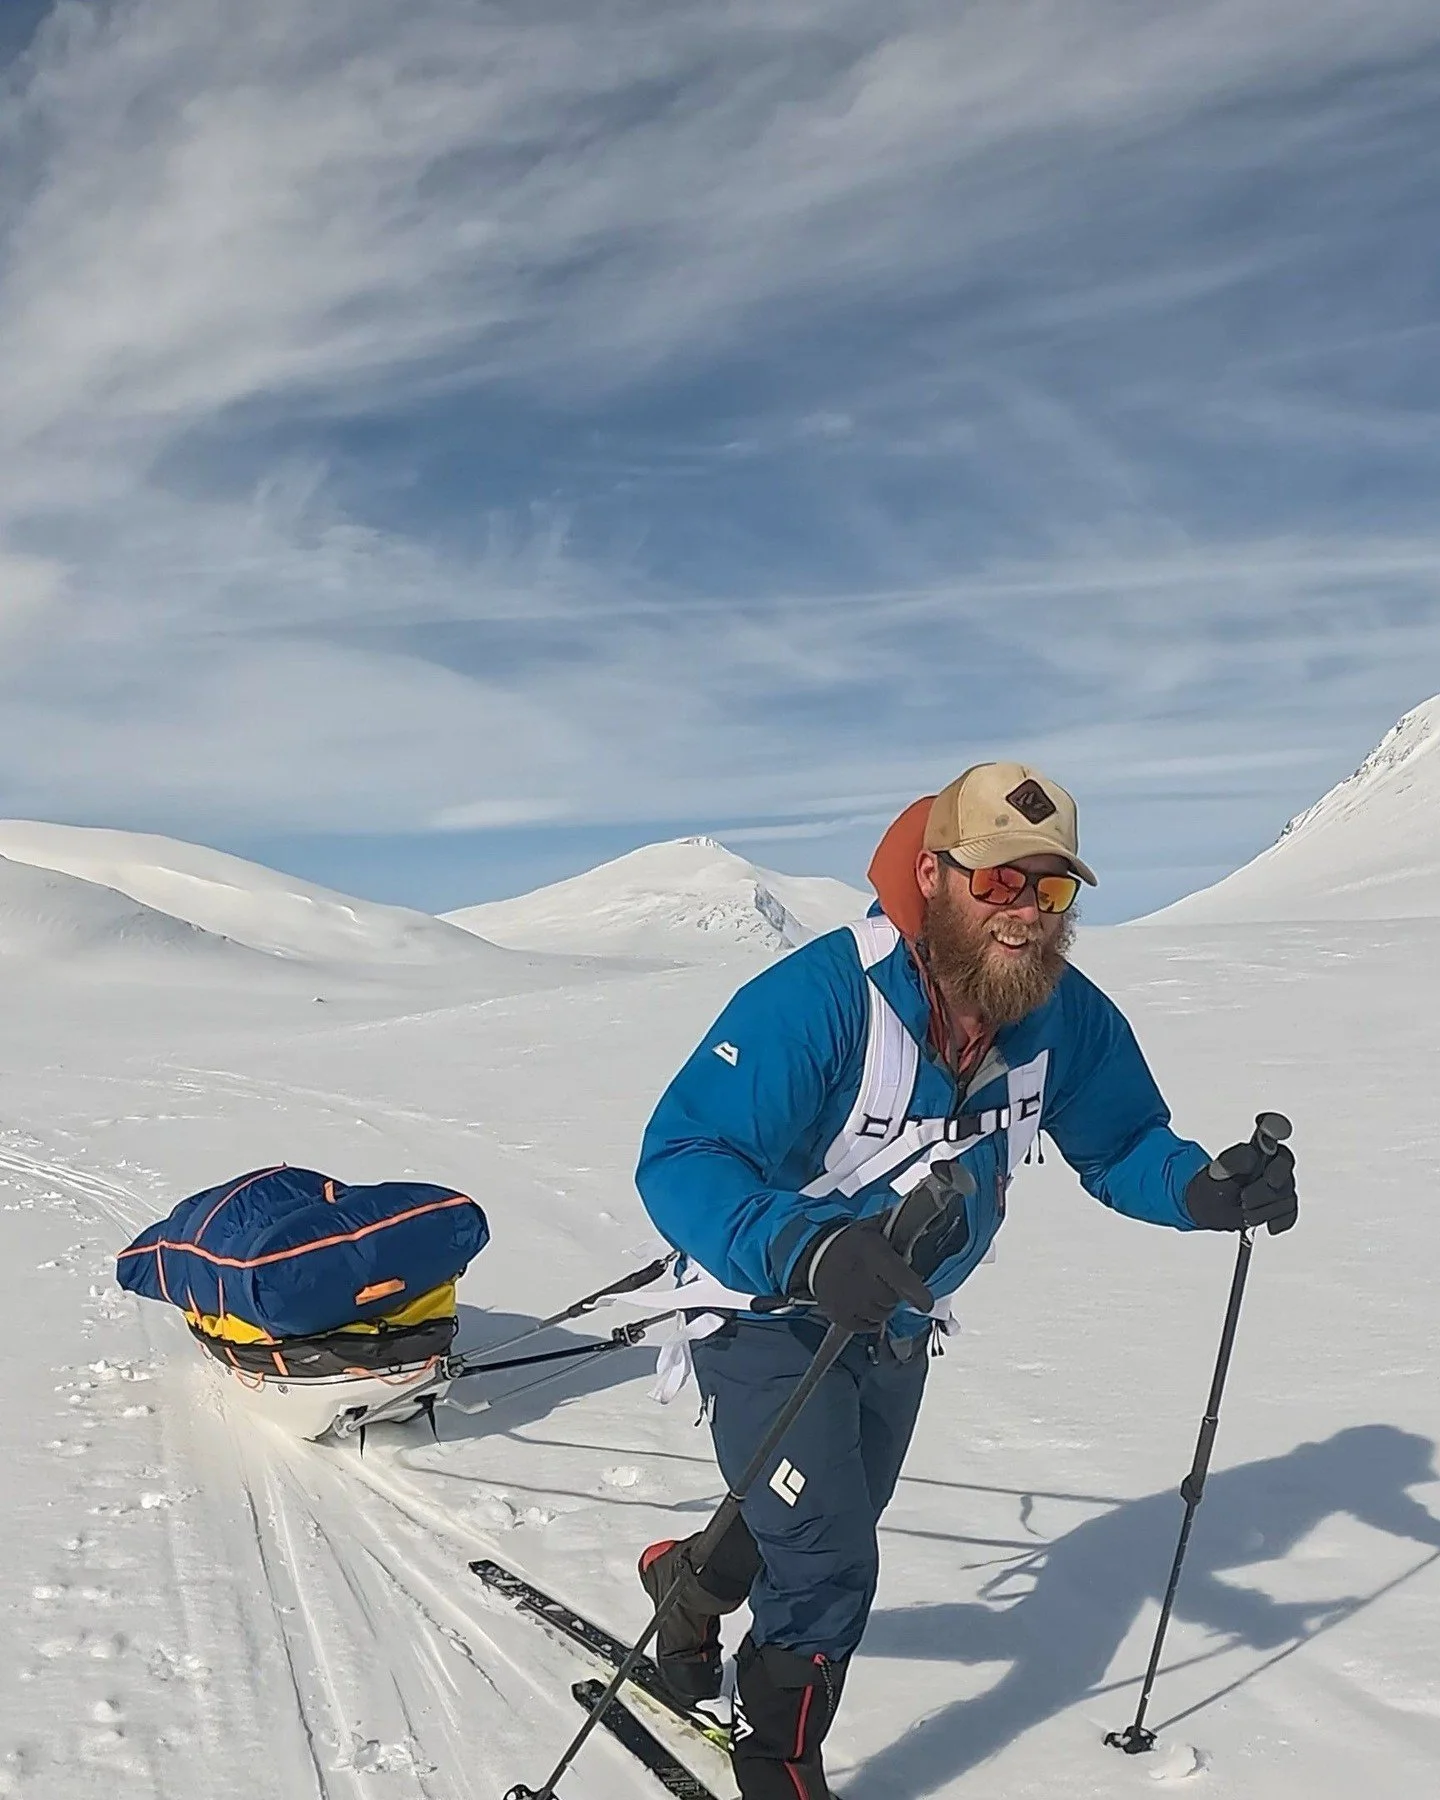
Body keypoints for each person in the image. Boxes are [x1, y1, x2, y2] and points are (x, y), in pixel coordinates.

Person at [632, 763, 1299, 1800]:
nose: (1026, 912)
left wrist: (1203, 1190)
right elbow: (683, 1156)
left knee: (823, 1518)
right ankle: (779, 1768)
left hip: (899, 1318)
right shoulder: (823, 999)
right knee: (828, 1561)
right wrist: (807, 1249)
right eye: (998, 882)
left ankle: (687, 1584)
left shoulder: (1062, 1016)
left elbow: (1123, 1140)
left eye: (1051, 887)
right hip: (764, 1307)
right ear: (933, 875)